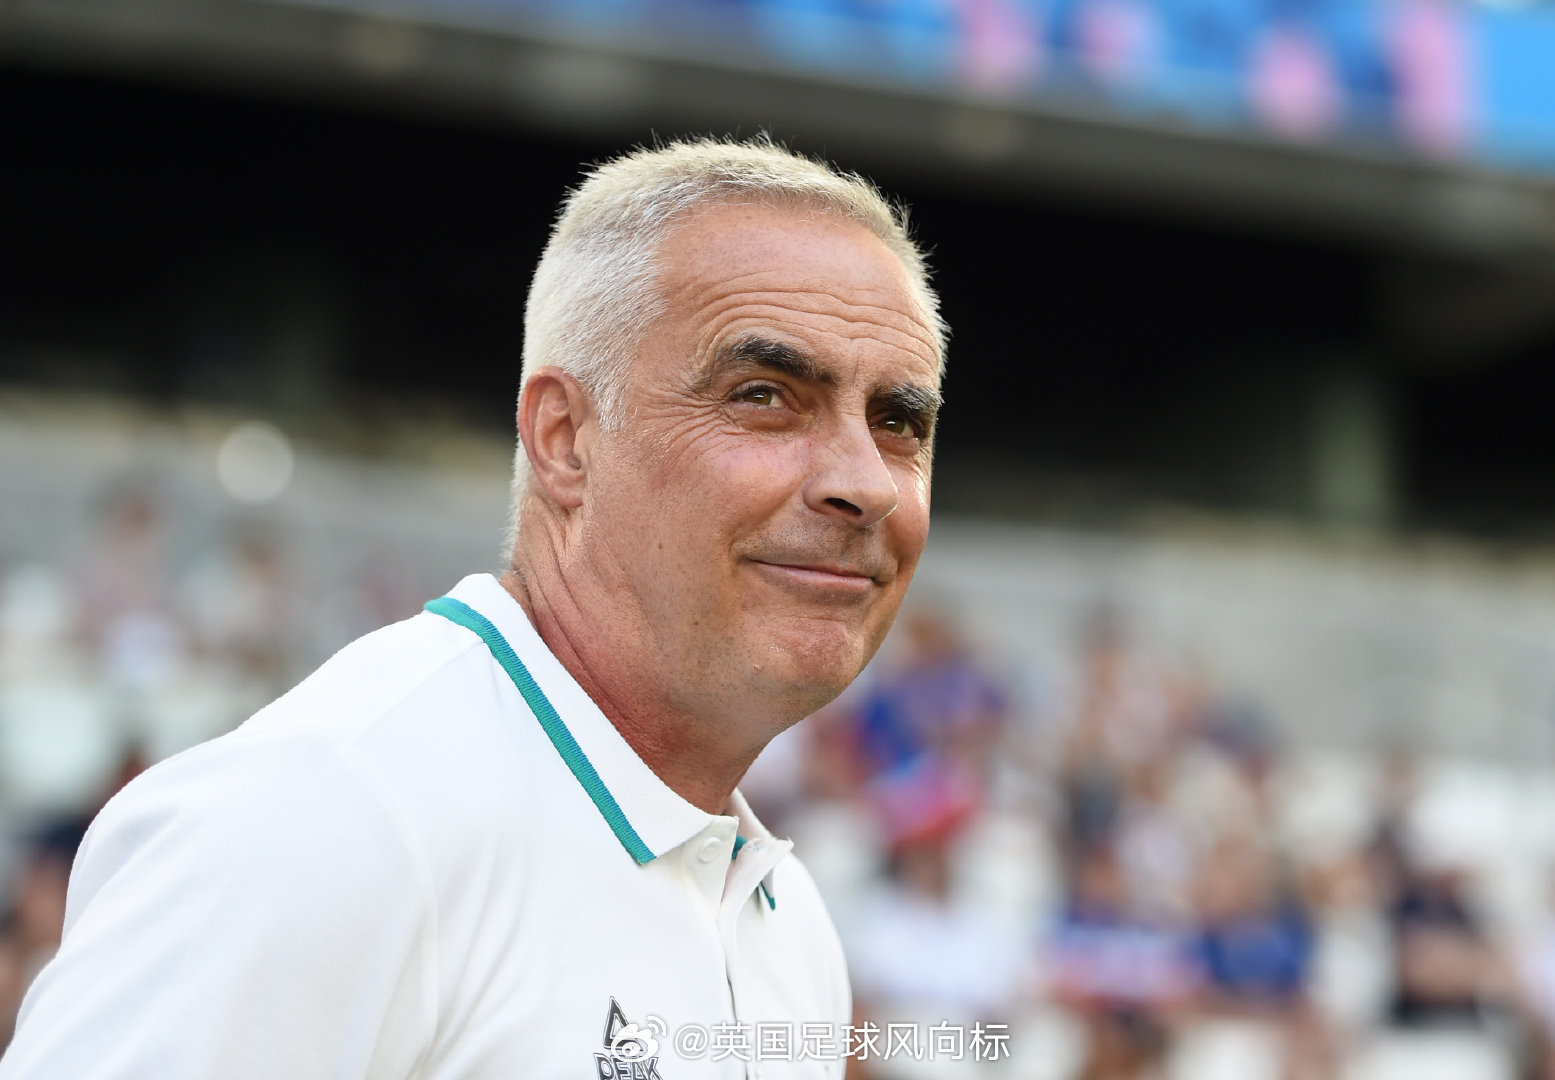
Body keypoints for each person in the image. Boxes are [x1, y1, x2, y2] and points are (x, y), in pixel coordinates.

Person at [0, 136, 946, 1078]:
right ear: (564, 440)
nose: (865, 482)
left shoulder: (789, 926)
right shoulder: (332, 816)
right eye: (765, 396)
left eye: (898, 422)